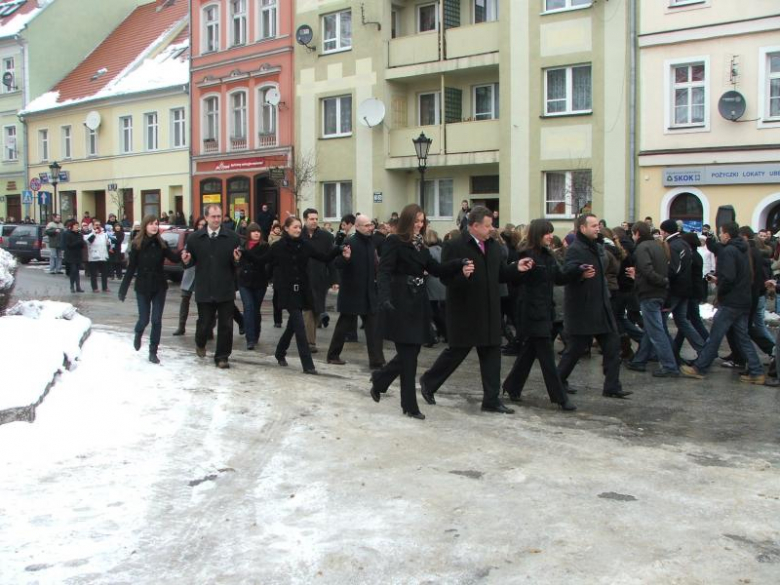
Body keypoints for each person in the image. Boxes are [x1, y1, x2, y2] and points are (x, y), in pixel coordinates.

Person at [417, 205, 532, 415]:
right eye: (488, 226)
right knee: (457, 352)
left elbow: (500, 274)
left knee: (492, 355)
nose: (492, 229)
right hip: (465, 311)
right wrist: (462, 275)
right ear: (474, 226)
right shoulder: (454, 245)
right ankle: (429, 382)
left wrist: (516, 268)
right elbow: (445, 278)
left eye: (492, 225)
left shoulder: (494, 245)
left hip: (490, 310)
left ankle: (491, 400)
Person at [370, 204, 472, 420]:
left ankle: (380, 379)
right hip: (399, 302)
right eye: (416, 221)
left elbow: (436, 269)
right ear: (407, 221)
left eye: (422, 221)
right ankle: (409, 405)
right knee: (409, 357)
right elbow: (384, 271)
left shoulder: (420, 246)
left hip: (417, 303)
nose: (419, 225)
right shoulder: (394, 241)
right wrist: (384, 298)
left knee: (411, 354)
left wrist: (458, 264)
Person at [501, 219, 577, 411]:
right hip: (531, 311)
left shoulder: (548, 256)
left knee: (529, 352)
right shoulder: (526, 255)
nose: (551, 236)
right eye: (547, 233)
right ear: (537, 234)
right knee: (547, 357)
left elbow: (559, 277)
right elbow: (514, 280)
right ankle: (560, 397)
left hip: (545, 311)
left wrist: (577, 271)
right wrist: (519, 270)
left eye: (551, 233)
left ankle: (512, 386)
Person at [557, 214, 631, 398]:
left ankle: (612, 386)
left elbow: (610, 266)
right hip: (583, 308)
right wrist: (580, 272)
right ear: (583, 228)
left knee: (612, 346)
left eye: (598, 225)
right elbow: (567, 271)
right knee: (575, 349)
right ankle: (557, 381)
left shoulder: (598, 247)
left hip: (601, 305)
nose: (598, 228)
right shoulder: (576, 248)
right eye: (593, 226)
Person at [681, 222, 764, 384]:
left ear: (726, 234)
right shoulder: (744, 249)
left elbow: (729, 278)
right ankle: (757, 371)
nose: (719, 235)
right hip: (743, 299)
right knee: (743, 337)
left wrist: (720, 290)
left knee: (715, 336)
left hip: (731, 301)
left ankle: (700, 367)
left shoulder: (729, 251)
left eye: (721, 232)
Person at [267, 216, 348, 373]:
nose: (298, 230)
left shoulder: (304, 245)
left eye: (299, 227)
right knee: (299, 327)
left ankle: (280, 352)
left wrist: (338, 249)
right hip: (287, 292)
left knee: (293, 325)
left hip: (302, 291)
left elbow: (324, 257)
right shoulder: (278, 246)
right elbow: (262, 260)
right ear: (286, 228)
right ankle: (308, 365)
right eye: (295, 227)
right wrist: (243, 255)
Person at [180, 204, 242, 369]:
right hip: (204, 288)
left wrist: (237, 260)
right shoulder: (195, 238)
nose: (216, 219)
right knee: (205, 324)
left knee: (226, 326)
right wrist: (186, 261)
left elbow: (238, 263)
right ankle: (200, 342)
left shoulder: (232, 237)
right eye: (213, 216)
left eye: (219, 216)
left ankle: (222, 357)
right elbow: (189, 261)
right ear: (206, 217)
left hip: (225, 288)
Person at [118, 215, 181, 363]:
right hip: (143, 286)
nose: (154, 226)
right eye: (151, 224)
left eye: (156, 224)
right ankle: (138, 331)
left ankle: (153, 351)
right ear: (145, 226)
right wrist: (123, 289)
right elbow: (131, 269)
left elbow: (174, 258)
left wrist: (184, 253)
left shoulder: (162, 244)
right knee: (144, 319)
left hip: (159, 286)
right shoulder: (137, 245)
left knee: (156, 320)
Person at [326, 214, 385, 368]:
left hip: (368, 292)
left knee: (374, 327)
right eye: (366, 225)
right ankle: (333, 355)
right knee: (343, 326)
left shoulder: (370, 242)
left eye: (371, 225)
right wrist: (345, 258)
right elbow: (337, 264)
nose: (370, 228)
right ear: (357, 226)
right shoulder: (350, 242)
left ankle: (377, 360)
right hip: (352, 292)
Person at [624, 221, 679, 377]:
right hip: (658, 292)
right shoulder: (657, 245)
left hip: (650, 292)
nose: (633, 237)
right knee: (650, 329)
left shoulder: (642, 247)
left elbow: (647, 270)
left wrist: (658, 281)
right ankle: (639, 361)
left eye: (633, 234)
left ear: (637, 233)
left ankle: (669, 366)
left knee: (656, 331)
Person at [659, 219, 705, 356]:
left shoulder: (672, 245)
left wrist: (664, 280)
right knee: (682, 321)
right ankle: (703, 350)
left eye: (662, 231)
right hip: (686, 288)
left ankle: (670, 353)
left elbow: (673, 270)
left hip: (675, 289)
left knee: (661, 322)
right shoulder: (683, 243)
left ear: (665, 232)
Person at [301, 208, 337, 351]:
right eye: (311, 219)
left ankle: (308, 336)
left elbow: (331, 259)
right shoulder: (298, 235)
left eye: (316, 219)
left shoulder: (326, 237)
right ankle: (310, 342)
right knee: (308, 309)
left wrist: (334, 280)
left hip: (320, 279)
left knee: (317, 310)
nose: (314, 221)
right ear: (305, 220)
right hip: (303, 279)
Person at [172, 216, 207, 336]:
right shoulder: (192, 238)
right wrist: (184, 256)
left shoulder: (210, 238)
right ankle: (181, 326)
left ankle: (206, 328)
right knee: (185, 298)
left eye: (203, 225)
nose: (201, 227)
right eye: (199, 225)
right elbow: (185, 252)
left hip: (203, 274)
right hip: (190, 271)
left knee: (203, 302)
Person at [237, 223, 269, 350]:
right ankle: (250, 339)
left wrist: (246, 254)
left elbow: (260, 261)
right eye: (253, 231)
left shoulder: (264, 246)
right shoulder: (243, 245)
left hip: (259, 282)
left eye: (258, 231)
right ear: (249, 233)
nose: (256, 233)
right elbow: (238, 262)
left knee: (255, 309)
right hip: (244, 282)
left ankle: (256, 334)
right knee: (248, 308)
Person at [84, 220, 110, 293]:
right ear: (93, 226)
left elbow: (108, 243)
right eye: (96, 225)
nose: (97, 226)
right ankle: (94, 287)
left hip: (103, 256)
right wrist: (94, 234)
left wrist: (108, 243)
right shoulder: (90, 234)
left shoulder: (104, 234)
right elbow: (89, 242)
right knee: (94, 274)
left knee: (104, 273)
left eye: (99, 224)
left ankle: (105, 287)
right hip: (94, 257)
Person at [62, 220, 85, 293]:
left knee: (77, 272)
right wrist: (78, 242)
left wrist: (82, 243)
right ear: (72, 226)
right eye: (75, 226)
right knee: (73, 271)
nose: (77, 227)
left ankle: (78, 287)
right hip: (70, 255)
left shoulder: (80, 234)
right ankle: (72, 286)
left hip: (78, 255)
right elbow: (68, 245)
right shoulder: (68, 234)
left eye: (77, 226)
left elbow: (82, 245)